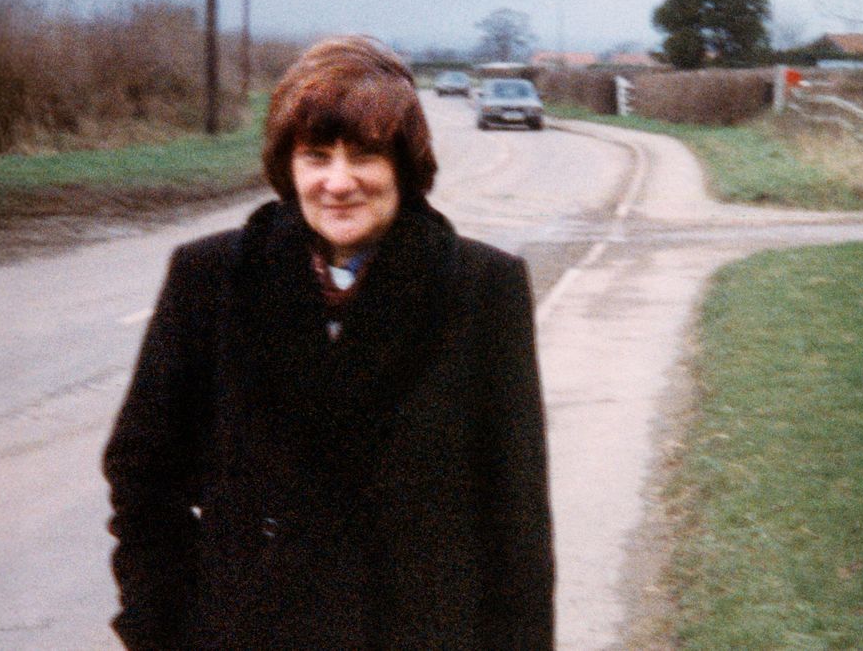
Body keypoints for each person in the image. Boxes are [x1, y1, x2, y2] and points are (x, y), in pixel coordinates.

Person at [102, 35, 554, 649]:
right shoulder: (210, 278)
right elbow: (143, 478)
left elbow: (517, 517)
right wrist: (163, 632)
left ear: (405, 166)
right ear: (288, 168)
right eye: (316, 156)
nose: (339, 183)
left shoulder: (481, 287)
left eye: (365, 155)